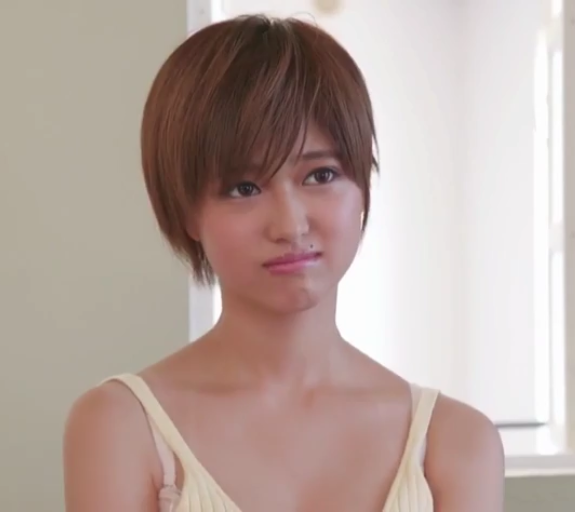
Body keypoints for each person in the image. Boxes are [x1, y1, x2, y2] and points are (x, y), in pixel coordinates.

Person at [63, 13, 504, 512]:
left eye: (321, 175)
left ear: (362, 185)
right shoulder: (121, 426)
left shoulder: (456, 442)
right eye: (244, 188)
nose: (290, 225)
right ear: (187, 212)